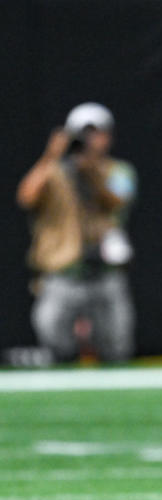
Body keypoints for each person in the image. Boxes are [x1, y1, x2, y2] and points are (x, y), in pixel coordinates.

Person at [15, 102, 137, 363]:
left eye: (97, 133)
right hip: (64, 272)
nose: (91, 141)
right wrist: (51, 155)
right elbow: (26, 197)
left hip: (106, 273)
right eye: (85, 135)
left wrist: (91, 169)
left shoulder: (118, 171)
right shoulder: (53, 173)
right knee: (54, 342)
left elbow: (119, 200)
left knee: (117, 347)